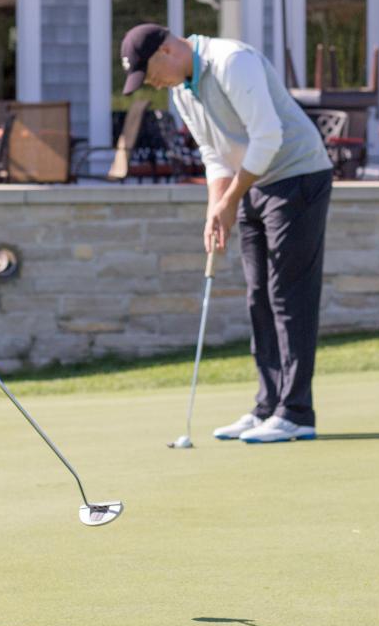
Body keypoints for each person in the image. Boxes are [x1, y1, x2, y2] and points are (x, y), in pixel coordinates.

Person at [120, 23, 334, 445]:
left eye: (149, 73)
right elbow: (213, 154)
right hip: (252, 181)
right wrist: (215, 211)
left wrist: (232, 198)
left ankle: (296, 412)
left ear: (167, 50)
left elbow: (268, 136)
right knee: (258, 295)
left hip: (297, 175)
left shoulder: (231, 62)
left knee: (288, 294)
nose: (151, 84)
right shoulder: (182, 89)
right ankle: (268, 404)